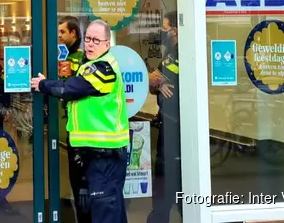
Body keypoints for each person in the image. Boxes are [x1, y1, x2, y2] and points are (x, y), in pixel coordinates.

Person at [31, 20, 129, 223]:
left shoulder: (104, 68)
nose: (90, 44)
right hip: (91, 153)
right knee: (100, 211)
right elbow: (72, 88)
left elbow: (72, 88)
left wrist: (43, 84)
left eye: (96, 40)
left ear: (107, 44)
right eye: (88, 39)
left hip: (105, 156)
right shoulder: (90, 65)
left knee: (105, 213)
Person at [147, 11, 182, 223]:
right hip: (166, 124)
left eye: (165, 27)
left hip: (178, 127)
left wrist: (160, 82)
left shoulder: (186, 52)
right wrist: (159, 83)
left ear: (175, 31)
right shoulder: (170, 53)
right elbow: (152, 81)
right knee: (163, 177)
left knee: (174, 178)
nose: (162, 31)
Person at [57, 16, 90, 223]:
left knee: (82, 183)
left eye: (62, 32)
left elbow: (74, 89)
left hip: (84, 130)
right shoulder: (63, 56)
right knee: (75, 180)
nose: (59, 36)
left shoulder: (83, 58)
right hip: (72, 126)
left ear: (74, 34)